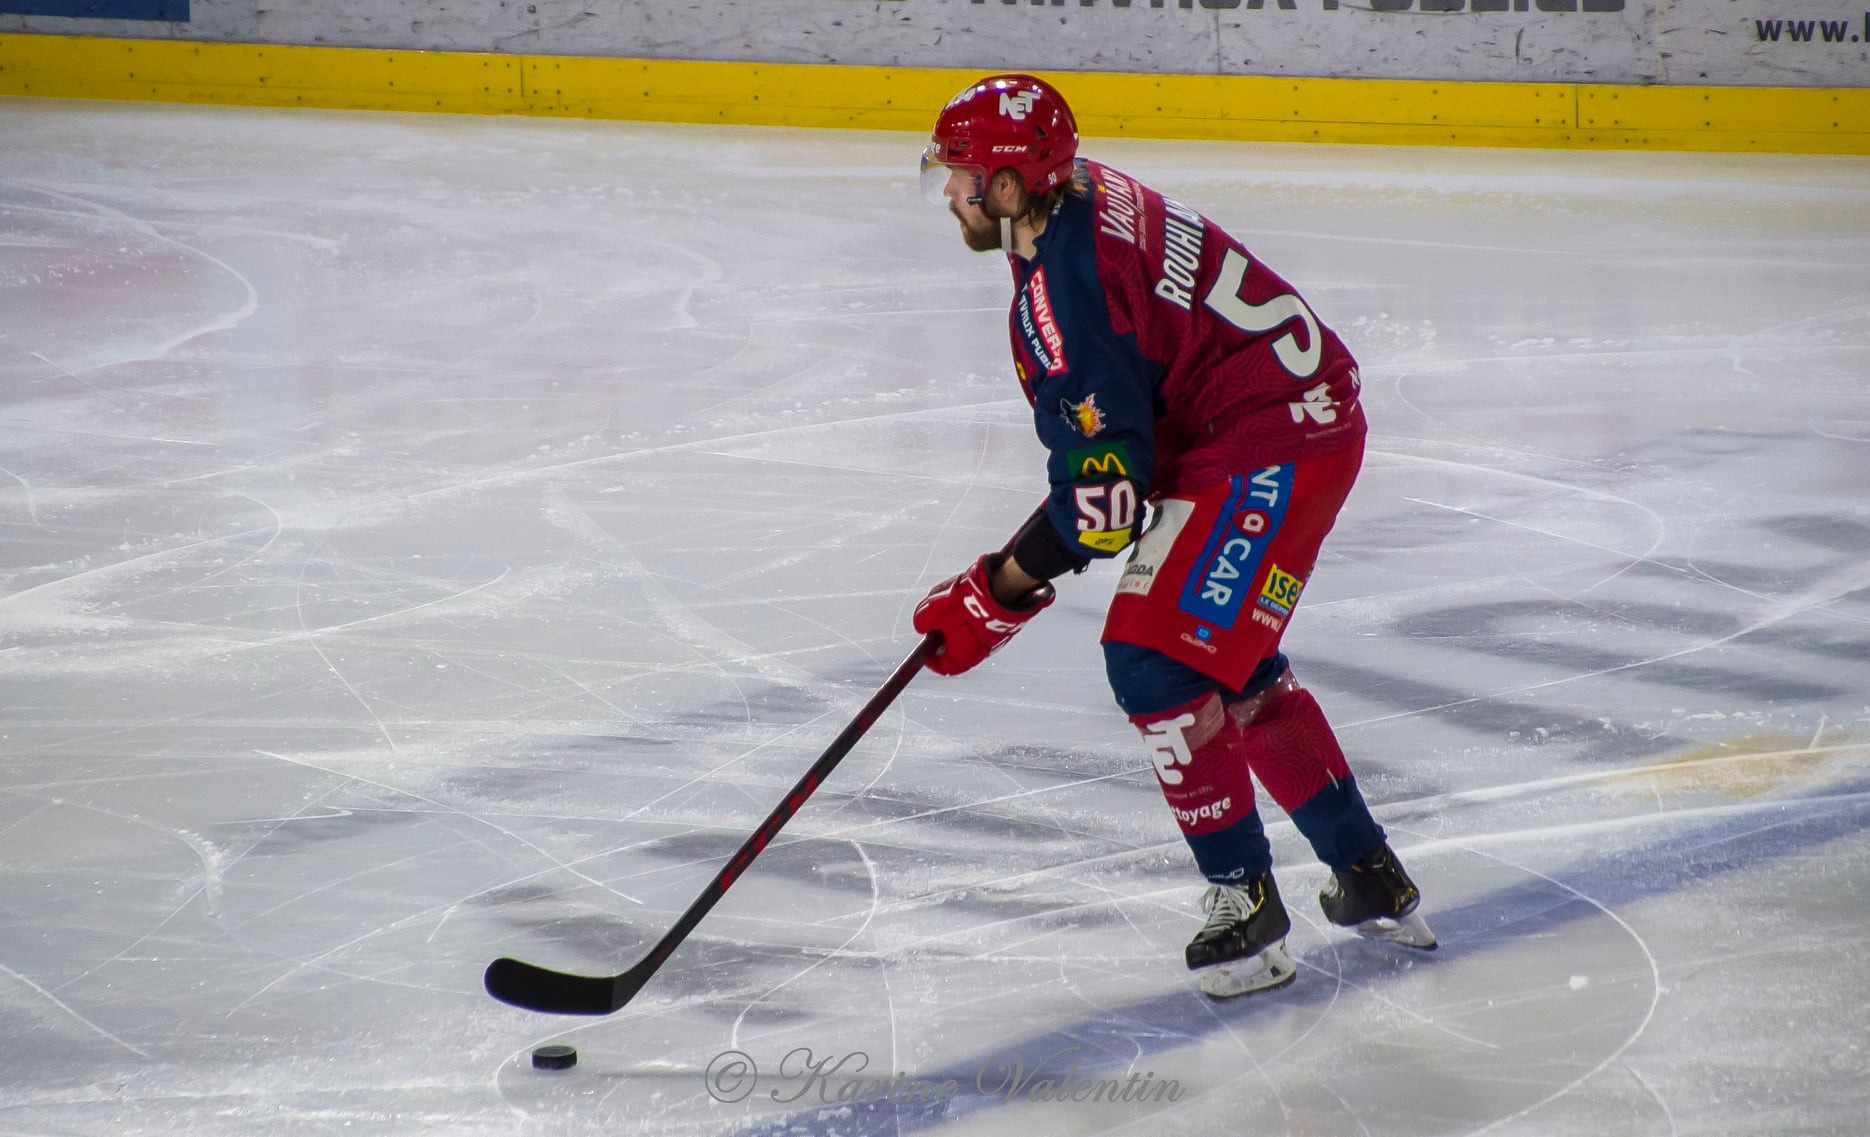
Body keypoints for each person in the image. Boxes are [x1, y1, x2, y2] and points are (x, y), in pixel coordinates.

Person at [909, 74, 1435, 999]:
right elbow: (1126, 447)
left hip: (1271, 440)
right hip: (1281, 421)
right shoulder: (1074, 198)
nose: (946, 192)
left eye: (958, 174)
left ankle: (1247, 906)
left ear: (1007, 185)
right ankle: (1366, 872)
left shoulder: (1067, 291)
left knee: (1154, 662)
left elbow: (1104, 507)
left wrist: (996, 591)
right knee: (1222, 660)